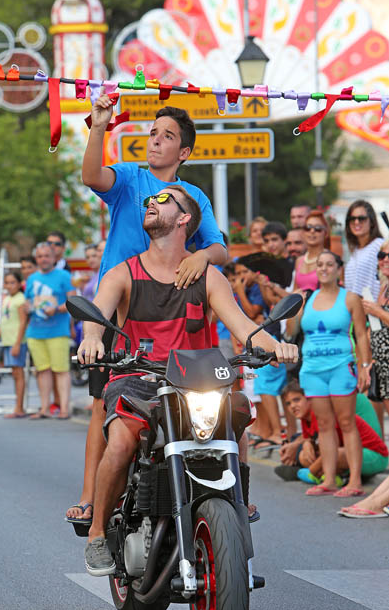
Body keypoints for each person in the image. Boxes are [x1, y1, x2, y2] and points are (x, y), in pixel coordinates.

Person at [77, 186, 297, 575]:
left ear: (183, 219)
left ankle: (236, 503)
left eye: (163, 200)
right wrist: (93, 338)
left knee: (236, 421)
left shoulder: (209, 277)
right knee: (124, 438)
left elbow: (244, 327)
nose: (151, 203)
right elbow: (97, 315)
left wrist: (277, 345)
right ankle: (97, 531)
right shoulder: (123, 272)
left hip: (195, 379)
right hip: (138, 375)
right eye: (150, 200)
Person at [66, 99, 227, 523]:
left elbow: (219, 246)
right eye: (153, 133)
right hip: (120, 308)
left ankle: (230, 496)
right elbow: (90, 175)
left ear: (185, 153)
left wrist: (203, 256)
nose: (155, 140)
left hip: (172, 309)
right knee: (106, 402)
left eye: (167, 136)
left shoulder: (192, 197)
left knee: (214, 399)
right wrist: (98, 127)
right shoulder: (129, 177)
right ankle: (90, 499)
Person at [291, 250, 372, 496]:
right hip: (313, 369)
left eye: (329, 265)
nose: (324, 269)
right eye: (320, 265)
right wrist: (294, 303)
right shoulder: (308, 298)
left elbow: (360, 334)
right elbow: (291, 330)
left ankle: (355, 482)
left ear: (339, 269)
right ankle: (329, 480)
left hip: (340, 367)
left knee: (347, 423)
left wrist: (365, 366)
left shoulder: (350, 299)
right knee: (324, 425)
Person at [276, 381, 387, 484]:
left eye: (296, 400)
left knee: (334, 454)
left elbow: (333, 449)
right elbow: (313, 440)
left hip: (374, 455)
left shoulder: (322, 412)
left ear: (309, 399)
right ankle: (336, 477)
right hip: (349, 452)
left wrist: (312, 470)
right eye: (288, 404)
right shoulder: (305, 418)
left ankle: (313, 474)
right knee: (305, 455)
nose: (293, 406)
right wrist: (306, 443)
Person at [25, 242, 75, 419]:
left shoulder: (63, 276)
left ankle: (64, 409)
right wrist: (28, 307)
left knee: (61, 370)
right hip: (35, 332)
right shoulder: (31, 279)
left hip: (58, 331)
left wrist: (57, 309)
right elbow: (27, 302)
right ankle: (44, 408)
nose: (43, 259)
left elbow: (72, 302)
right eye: (40, 256)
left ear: (54, 258)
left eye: (46, 256)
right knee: (42, 370)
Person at [0, 272, 28, 418]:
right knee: (14, 373)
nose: (9, 285)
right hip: (6, 341)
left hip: (16, 341)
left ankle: (19, 408)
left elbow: (23, 322)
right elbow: (3, 322)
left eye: (12, 282)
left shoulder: (20, 299)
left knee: (18, 374)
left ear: (19, 284)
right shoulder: (6, 299)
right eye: (7, 282)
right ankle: (18, 406)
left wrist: (17, 343)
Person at [362, 238, 389, 416]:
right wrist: (369, 361)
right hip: (382, 364)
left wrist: (378, 311)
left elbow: (379, 316)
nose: (385, 260)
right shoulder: (383, 287)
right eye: (382, 255)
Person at [344, 199, 383, 300]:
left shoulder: (379, 245)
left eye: (361, 218)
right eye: (352, 218)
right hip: (356, 311)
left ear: (371, 221)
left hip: (373, 311)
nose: (356, 222)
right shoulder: (355, 250)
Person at [294, 210, 329, 292]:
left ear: (326, 233)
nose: (312, 231)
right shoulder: (299, 261)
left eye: (318, 228)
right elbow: (294, 293)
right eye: (308, 228)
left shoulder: (331, 260)